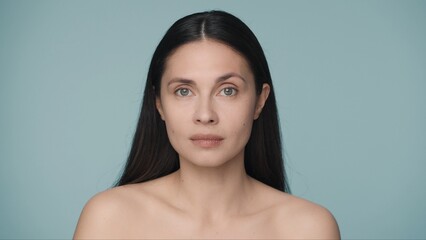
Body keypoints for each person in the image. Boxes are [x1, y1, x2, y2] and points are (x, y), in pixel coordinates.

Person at [74, 10, 340, 239]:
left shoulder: (307, 229)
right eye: (183, 91)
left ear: (260, 100)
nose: (205, 115)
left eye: (227, 90)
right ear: (158, 104)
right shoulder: (109, 219)